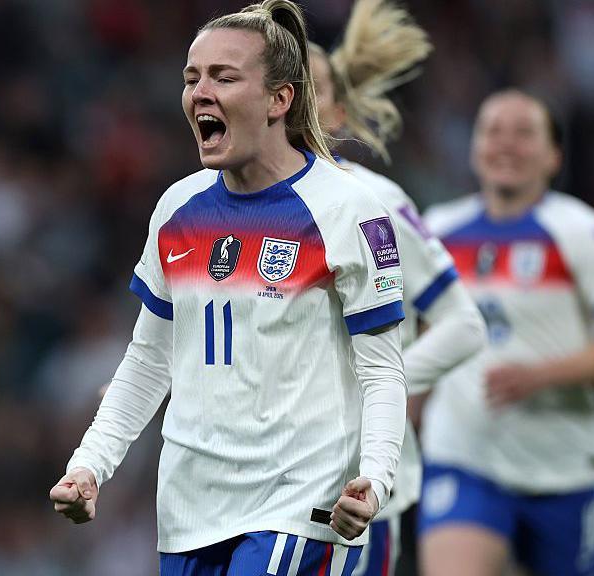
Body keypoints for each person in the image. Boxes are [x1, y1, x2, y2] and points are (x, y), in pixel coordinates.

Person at [47, 2, 409, 574]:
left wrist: (377, 478)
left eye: (224, 77)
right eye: (192, 78)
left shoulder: (349, 209)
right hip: (190, 508)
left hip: (299, 504)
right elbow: (148, 359)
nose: (200, 93)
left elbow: (383, 370)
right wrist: (89, 465)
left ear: (279, 99)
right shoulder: (178, 208)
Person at [417, 89, 594, 576]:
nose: (506, 143)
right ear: (473, 148)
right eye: (492, 131)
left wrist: (542, 376)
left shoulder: (580, 230)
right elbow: (420, 342)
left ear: (554, 156)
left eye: (524, 133)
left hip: (564, 467)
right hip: (463, 458)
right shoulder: (436, 230)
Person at [308, 1, 487, 573]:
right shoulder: (217, 208)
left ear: (335, 113)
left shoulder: (375, 202)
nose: (291, 103)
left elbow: (462, 323)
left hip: (348, 490)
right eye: (280, 85)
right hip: (248, 489)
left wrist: (381, 392)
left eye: (309, 89)